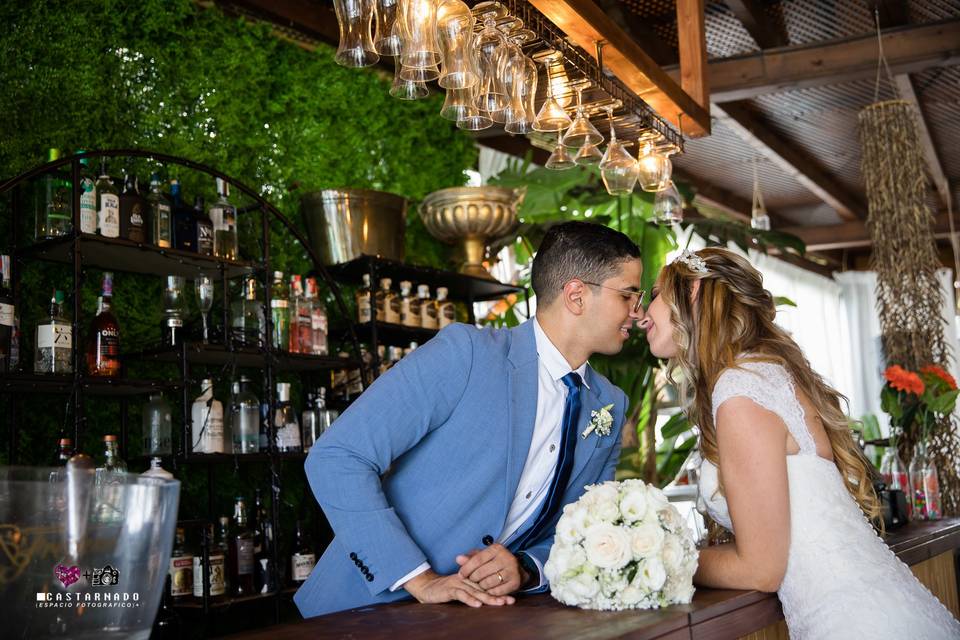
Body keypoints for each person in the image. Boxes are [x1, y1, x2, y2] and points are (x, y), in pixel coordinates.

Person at [294, 221, 645, 617]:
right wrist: (420, 579)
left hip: (480, 621)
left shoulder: (610, 406)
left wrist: (527, 569)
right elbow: (338, 456)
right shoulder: (467, 355)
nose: (638, 311)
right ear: (576, 295)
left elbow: (584, 530)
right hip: (362, 613)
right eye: (629, 294)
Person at [639, 247, 960, 639]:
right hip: (881, 608)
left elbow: (761, 569)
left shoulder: (741, 389)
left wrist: (665, 556)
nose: (642, 312)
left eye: (654, 294)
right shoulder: (763, 374)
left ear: (690, 293)